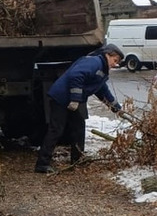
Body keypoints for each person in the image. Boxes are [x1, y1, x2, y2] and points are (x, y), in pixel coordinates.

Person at [34, 43, 125, 174]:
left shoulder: (102, 70)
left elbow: (102, 91)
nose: (115, 64)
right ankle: (42, 164)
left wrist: (117, 108)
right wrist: (75, 99)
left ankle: (77, 160)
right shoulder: (95, 62)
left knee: (79, 127)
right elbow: (76, 75)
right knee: (56, 130)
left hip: (69, 101)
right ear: (107, 55)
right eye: (115, 60)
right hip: (61, 99)